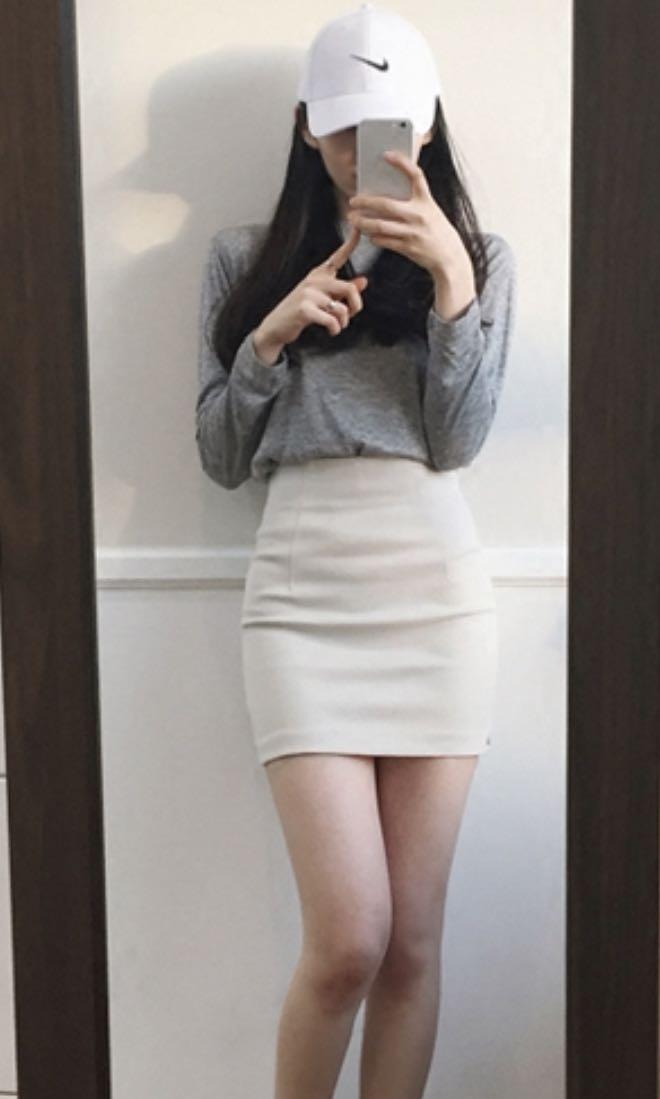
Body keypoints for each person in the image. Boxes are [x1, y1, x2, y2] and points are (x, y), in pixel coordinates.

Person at [195, 3, 517, 1096]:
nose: (359, 148)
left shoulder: (480, 261)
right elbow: (221, 458)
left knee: (412, 944)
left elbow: (457, 441)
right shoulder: (242, 261)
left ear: (423, 126)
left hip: (436, 600)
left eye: (384, 125)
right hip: (301, 603)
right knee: (348, 940)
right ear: (305, 125)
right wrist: (269, 336)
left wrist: (453, 290)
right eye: (340, 127)